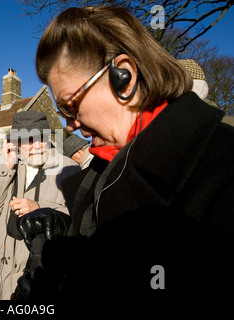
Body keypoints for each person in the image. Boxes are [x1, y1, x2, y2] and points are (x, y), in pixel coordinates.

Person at [20, 6, 234, 302]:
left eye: (70, 105)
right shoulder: (105, 166)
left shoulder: (222, 166)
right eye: (60, 112)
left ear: (125, 77)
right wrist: (60, 229)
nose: (69, 124)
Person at [0, 111, 80, 300]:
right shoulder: (5, 166)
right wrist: (5, 168)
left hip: (37, 276)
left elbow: (79, 220)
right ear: (15, 143)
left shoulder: (69, 168)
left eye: (40, 137)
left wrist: (40, 208)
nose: (36, 146)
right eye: (28, 140)